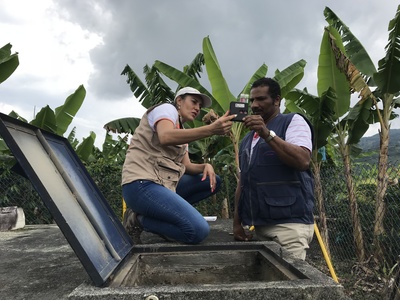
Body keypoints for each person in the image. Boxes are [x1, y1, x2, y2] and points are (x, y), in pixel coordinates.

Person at [122, 87, 235, 245]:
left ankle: (154, 216)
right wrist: (211, 130)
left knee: (212, 181)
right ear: (179, 101)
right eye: (194, 102)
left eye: (200, 106)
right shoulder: (167, 110)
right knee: (197, 231)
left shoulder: (184, 132)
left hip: (163, 184)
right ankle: (138, 220)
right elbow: (165, 136)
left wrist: (205, 166)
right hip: (141, 184)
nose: (197, 108)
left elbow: (187, 166)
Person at [233, 77, 315, 260]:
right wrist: (237, 223)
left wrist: (267, 135)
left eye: (261, 99)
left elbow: (303, 160)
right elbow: (243, 182)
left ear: (277, 100)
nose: (255, 105)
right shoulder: (247, 140)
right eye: (253, 100)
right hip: (259, 226)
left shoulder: (293, 121)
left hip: (289, 227)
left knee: (290, 285)